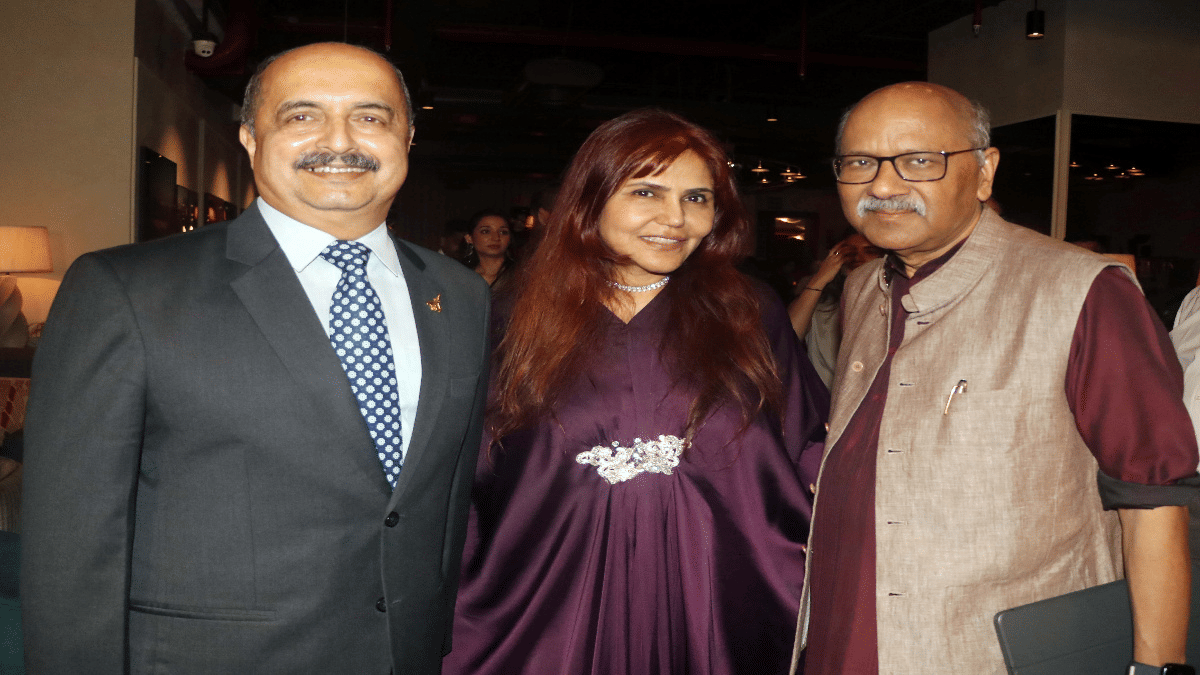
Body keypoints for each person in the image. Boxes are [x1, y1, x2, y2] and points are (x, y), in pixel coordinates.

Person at [21, 42, 490, 675]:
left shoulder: (459, 295)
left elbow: (444, 501)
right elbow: (69, 547)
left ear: (407, 136)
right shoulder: (126, 291)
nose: (340, 139)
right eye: (301, 116)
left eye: (371, 116)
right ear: (248, 137)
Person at [793, 82, 1199, 675]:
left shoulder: (1081, 291)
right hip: (843, 625)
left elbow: (1153, 498)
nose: (881, 186)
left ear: (984, 173)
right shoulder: (861, 288)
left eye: (919, 161)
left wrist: (1159, 668)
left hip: (996, 647)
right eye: (860, 163)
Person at [442, 108, 828, 675]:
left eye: (697, 198)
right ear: (591, 199)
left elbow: (806, 444)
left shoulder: (747, 312)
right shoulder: (513, 318)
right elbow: (471, 474)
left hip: (721, 602)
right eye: (647, 192)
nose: (675, 219)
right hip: (549, 609)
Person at [787, 233, 882, 388]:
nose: (857, 257)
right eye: (849, 252)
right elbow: (789, 335)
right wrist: (821, 277)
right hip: (826, 406)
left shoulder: (895, 306)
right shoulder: (822, 308)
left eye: (870, 251)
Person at [461, 209, 513, 286]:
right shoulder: (460, 275)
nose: (496, 238)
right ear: (469, 238)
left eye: (503, 232)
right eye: (486, 231)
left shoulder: (521, 275)